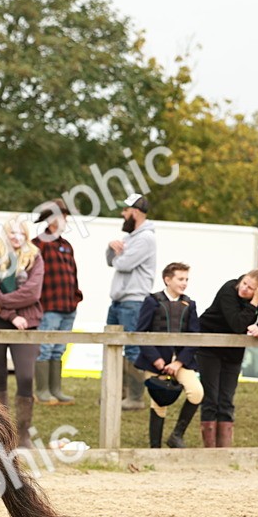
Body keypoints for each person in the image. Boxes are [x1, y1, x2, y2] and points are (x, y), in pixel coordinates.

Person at [0, 217, 44, 447]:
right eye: (11, 232)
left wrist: (2, 303)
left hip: (27, 323)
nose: (16, 237)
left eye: (20, 233)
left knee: (25, 377)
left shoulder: (35, 258)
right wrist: (12, 315)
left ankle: (23, 436)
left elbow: (32, 293)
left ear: (26, 234)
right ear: (5, 234)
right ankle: (0, 435)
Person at [196, 270, 258, 447]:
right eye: (244, 283)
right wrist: (255, 300)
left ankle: (224, 449)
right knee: (212, 398)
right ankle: (210, 450)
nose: (244, 289)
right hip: (210, 346)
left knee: (226, 400)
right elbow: (237, 324)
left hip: (233, 351)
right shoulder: (229, 289)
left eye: (250, 288)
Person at [134, 262, 203, 449]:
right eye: (180, 279)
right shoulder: (152, 301)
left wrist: (179, 362)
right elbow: (141, 333)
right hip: (155, 362)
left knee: (196, 393)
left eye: (186, 279)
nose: (184, 283)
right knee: (159, 402)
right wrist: (156, 360)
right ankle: (154, 448)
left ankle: (176, 435)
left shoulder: (190, 304)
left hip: (181, 362)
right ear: (167, 279)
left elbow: (194, 337)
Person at [106, 192, 157, 411]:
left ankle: (135, 397)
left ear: (135, 212)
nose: (122, 214)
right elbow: (112, 261)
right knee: (114, 347)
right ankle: (119, 393)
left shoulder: (146, 238)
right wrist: (111, 247)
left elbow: (124, 263)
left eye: (125, 210)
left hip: (134, 301)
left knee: (133, 349)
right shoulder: (130, 237)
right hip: (119, 301)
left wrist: (118, 254)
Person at [33, 199, 81, 406]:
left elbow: (74, 274)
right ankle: (42, 390)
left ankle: (56, 389)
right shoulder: (37, 244)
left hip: (68, 306)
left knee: (59, 348)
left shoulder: (66, 245)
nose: (66, 220)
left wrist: (76, 296)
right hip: (48, 306)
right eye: (63, 216)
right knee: (45, 347)